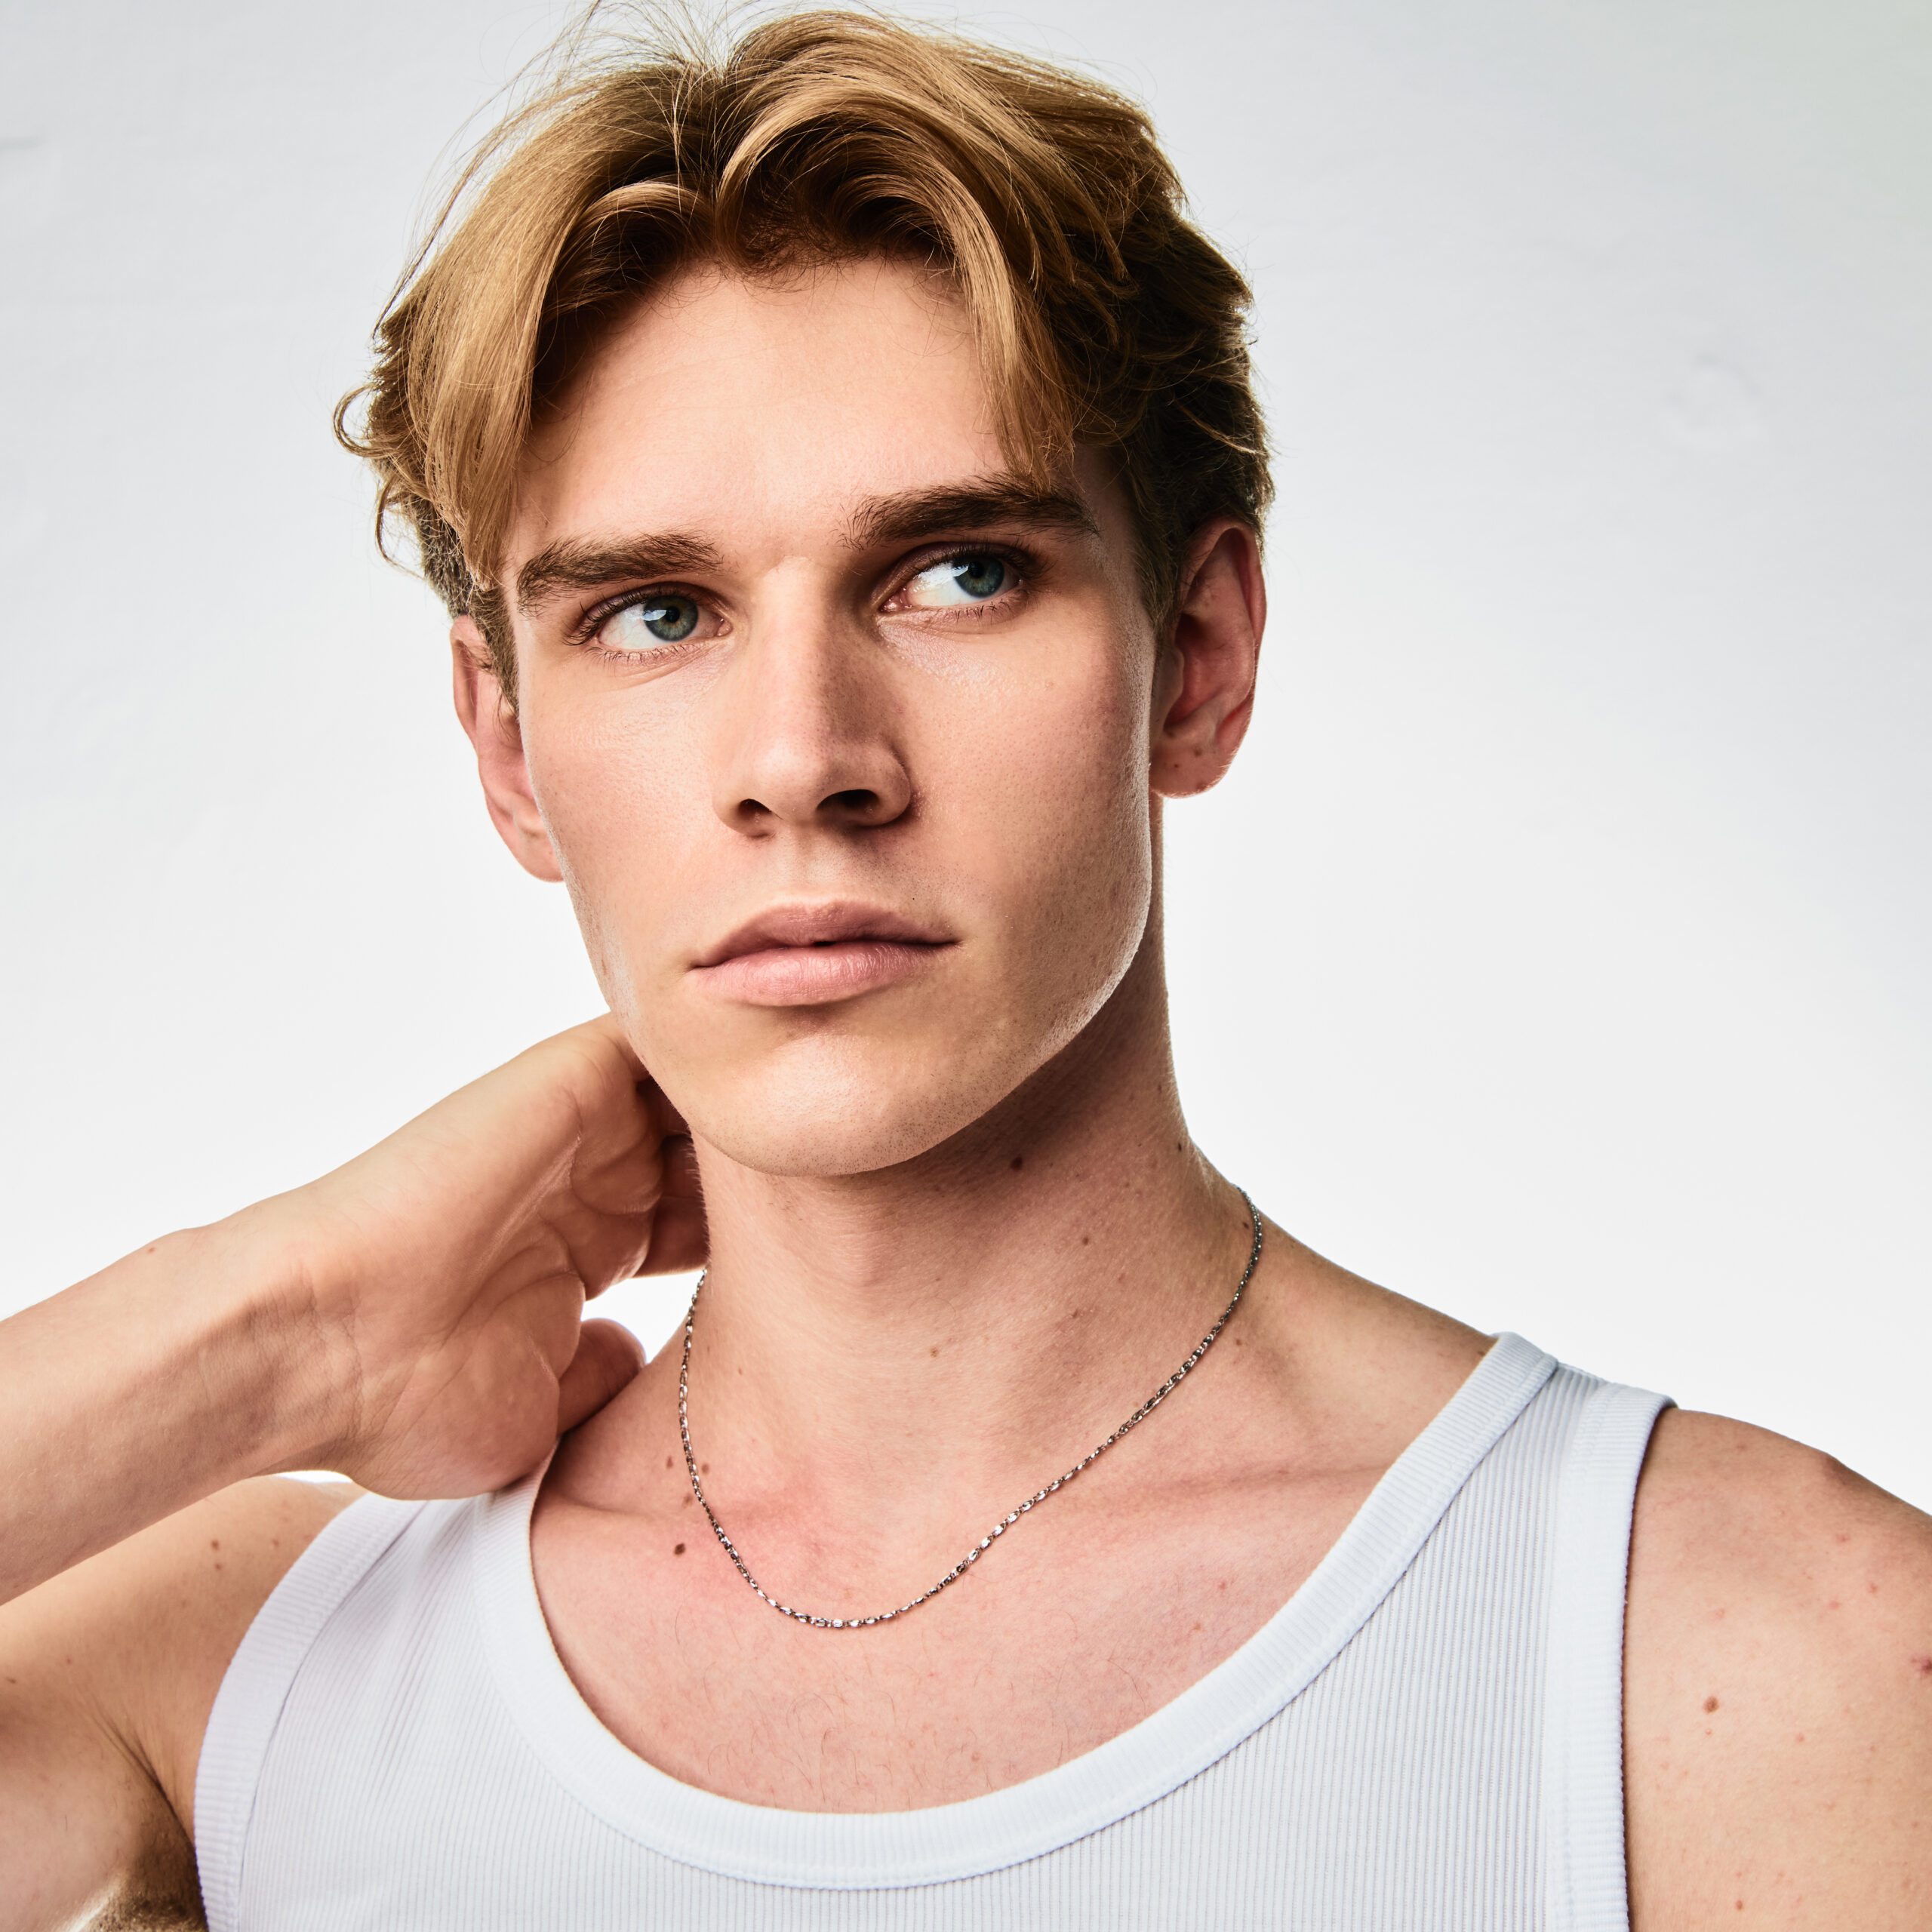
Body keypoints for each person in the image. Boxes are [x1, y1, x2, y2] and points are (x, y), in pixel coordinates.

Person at [2, 11, 1927, 1928]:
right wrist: (284, 1327)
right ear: (507, 747)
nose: (801, 758)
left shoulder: (1741, 1659)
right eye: (654, 613)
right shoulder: (230, 1681)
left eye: (957, 573)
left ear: (1195, 659)